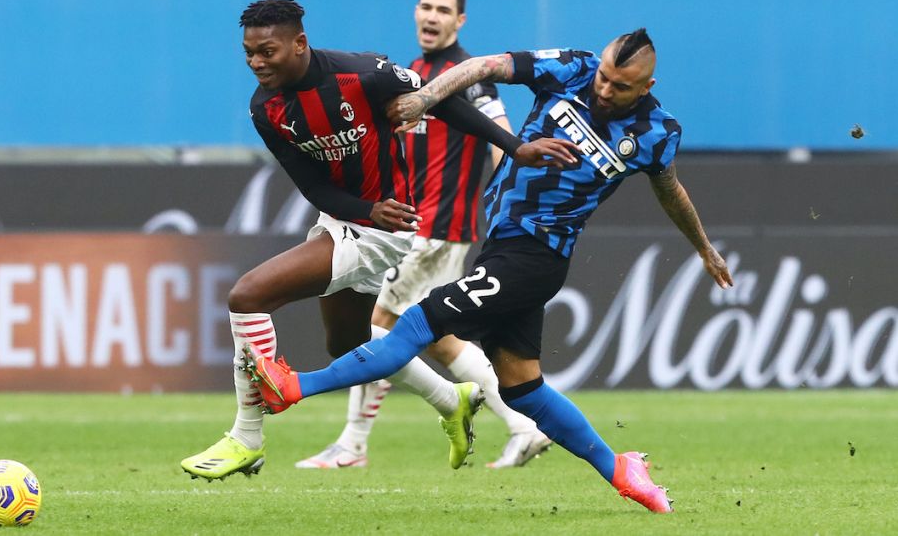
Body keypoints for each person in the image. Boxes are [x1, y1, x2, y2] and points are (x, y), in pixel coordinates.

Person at [243, 28, 734, 513]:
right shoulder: (572, 68)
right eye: (605, 77)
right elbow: (484, 67)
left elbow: (669, 189)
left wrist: (705, 249)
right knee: (523, 389)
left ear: (646, 88)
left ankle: (296, 388)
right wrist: (425, 98)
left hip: (535, 257)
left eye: (620, 87)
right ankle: (623, 470)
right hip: (503, 245)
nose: (604, 90)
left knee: (418, 321)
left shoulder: (656, 132)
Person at [179, 0, 577, 482]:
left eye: (268, 51)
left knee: (246, 296)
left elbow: (444, 102)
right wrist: (365, 208)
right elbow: (312, 186)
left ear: (299, 43)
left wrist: (515, 148)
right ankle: (451, 399)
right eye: (249, 53)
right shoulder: (267, 108)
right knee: (348, 342)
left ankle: (248, 437)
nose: (257, 63)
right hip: (350, 218)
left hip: (385, 230)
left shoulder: (363, 74)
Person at [296, 0, 551, 471]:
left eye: (443, 10)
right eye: (426, 6)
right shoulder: (412, 73)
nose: (432, 16)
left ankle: (352, 444)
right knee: (438, 340)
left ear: (460, 21)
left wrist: (510, 200)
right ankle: (525, 426)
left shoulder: (467, 76)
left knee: (376, 326)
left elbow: (501, 136)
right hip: (421, 224)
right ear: (416, 12)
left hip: (434, 226)